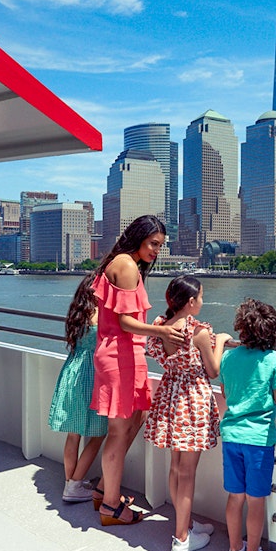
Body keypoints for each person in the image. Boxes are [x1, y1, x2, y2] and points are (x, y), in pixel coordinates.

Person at [88, 215, 184, 526]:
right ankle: (111, 507)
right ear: (139, 238)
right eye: (154, 243)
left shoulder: (120, 263)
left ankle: (105, 489)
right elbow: (126, 322)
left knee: (136, 419)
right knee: (118, 432)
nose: (157, 250)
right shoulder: (127, 266)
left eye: (160, 245)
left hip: (124, 355)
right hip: (119, 356)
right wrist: (163, 333)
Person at [144, 275, 231, 551]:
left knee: (176, 467)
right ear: (191, 302)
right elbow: (213, 369)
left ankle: (185, 523)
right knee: (188, 473)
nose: (203, 302)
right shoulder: (199, 332)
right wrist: (222, 341)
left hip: (170, 396)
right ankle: (182, 537)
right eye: (201, 297)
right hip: (191, 401)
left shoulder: (161, 326)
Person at [218, 298, 276, 551]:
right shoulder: (274, 359)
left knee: (235, 496)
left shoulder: (229, 357)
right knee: (256, 500)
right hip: (259, 439)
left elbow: (224, 392)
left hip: (231, 434)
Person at [47, 274, 106, 503]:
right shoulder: (101, 314)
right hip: (91, 375)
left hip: (72, 371)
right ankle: (73, 486)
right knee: (99, 433)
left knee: (74, 434)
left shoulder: (78, 313)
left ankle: (70, 481)